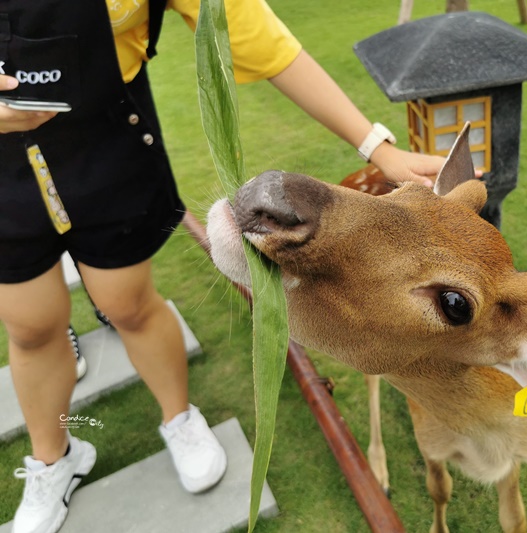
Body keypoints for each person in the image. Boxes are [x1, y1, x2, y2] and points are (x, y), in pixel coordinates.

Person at [0, 1, 444, 532]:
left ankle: (179, 417)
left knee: (126, 304)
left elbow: (261, 38)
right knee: (29, 328)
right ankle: (55, 457)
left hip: (105, 144)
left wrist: (378, 148)